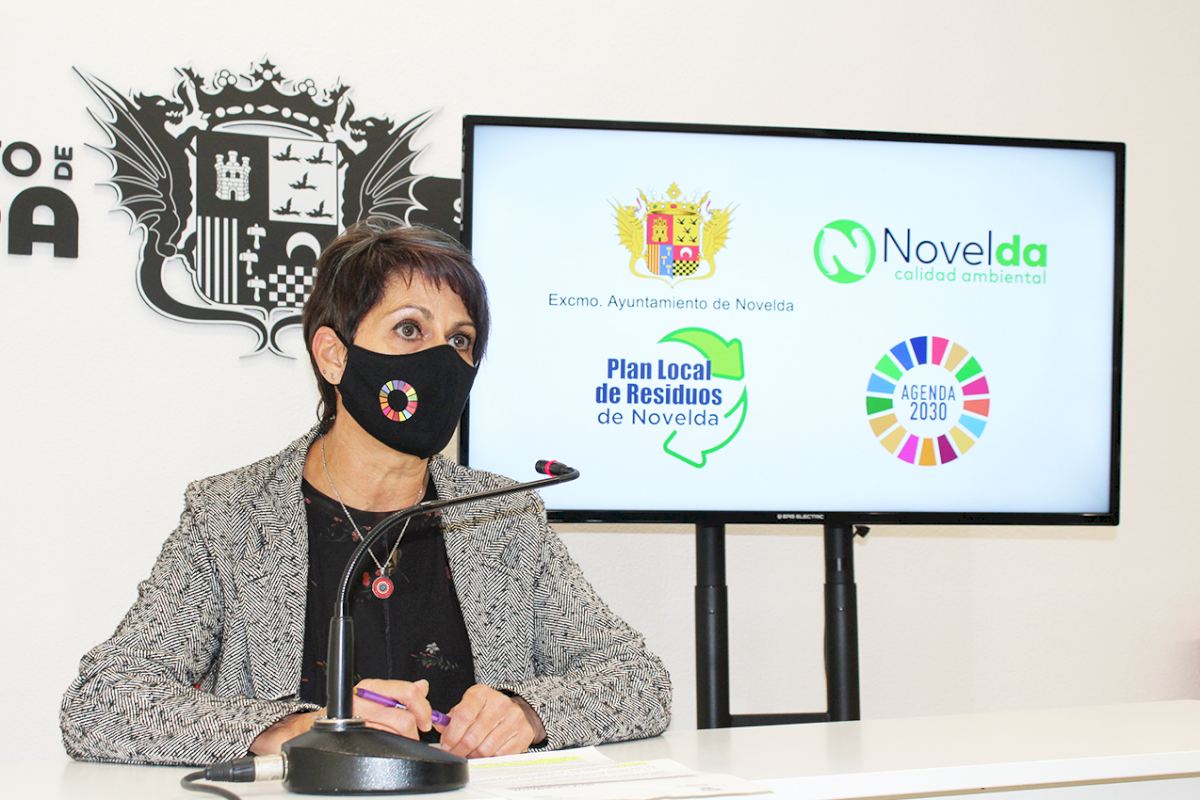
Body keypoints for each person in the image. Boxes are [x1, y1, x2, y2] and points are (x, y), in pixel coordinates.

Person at [60, 221, 671, 765]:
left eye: (460, 340)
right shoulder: (230, 516)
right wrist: (297, 729)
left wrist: (528, 713)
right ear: (333, 356)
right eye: (409, 329)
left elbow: (640, 682)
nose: (442, 360)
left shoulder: (502, 516)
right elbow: (101, 704)